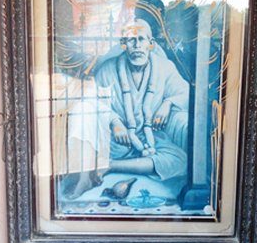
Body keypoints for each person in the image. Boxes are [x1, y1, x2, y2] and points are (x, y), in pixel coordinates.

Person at [63, 19, 190, 199]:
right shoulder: (108, 68)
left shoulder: (165, 67)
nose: (137, 45)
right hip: (116, 141)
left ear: (150, 43)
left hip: (151, 139)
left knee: (181, 162)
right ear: (123, 43)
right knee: (82, 109)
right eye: (131, 40)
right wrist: (114, 121)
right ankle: (84, 179)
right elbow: (90, 99)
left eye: (141, 39)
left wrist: (168, 103)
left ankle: (109, 165)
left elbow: (186, 93)